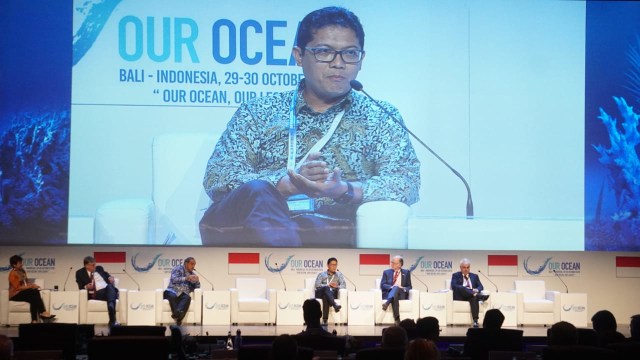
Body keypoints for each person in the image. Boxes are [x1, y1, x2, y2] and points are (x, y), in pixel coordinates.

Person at [199, 6, 420, 248]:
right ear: (298, 55)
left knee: (315, 228)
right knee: (259, 192)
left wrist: (343, 190)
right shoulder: (259, 111)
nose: (338, 63)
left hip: (326, 230)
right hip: (252, 229)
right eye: (324, 52)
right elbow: (218, 176)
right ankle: (288, 262)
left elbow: (405, 182)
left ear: (361, 59)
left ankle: (284, 268)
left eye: (349, 53)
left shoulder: (380, 116)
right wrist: (286, 184)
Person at [7, 255, 55, 323]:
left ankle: (34, 320)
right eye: (20, 263)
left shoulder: (22, 271)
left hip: (22, 292)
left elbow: (26, 283)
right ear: (14, 265)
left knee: (34, 298)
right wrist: (30, 287)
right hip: (15, 295)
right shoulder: (12, 274)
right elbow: (17, 288)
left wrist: (32, 285)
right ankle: (42, 312)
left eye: (21, 262)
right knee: (35, 292)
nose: (22, 264)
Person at [75, 255, 119, 326]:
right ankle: (111, 311)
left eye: (95, 264)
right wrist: (86, 286)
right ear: (87, 266)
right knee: (111, 292)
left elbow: (107, 275)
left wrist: (110, 277)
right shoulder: (80, 273)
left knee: (110, 287)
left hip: (107, 289)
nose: (95, 266)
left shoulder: (99, 269)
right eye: (93, 265)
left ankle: (111, 306)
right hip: (96, 293)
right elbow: (80, 286)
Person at [450, 258, 488, 328]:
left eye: (468, 267)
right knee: (462, 288)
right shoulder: (455, 275)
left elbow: (481, 287)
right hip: (460, 296)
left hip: (471, 296)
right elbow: (454, 286)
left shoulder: (474, 276)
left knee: (474, 297)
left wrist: (475, 290)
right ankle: (478, 296)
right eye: (464, 267)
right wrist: (466, 289)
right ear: (460, 267)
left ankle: (475, 321)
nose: (466, 269)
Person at [164, 257, 200, 326]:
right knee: (173, 296)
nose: (193, 266)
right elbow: (174, 279)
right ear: (186, 263)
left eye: (194, 264)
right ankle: (179, 318)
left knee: (187, 298)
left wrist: (197, 281)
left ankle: (177, 314)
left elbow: (197, 287)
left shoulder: (193, 274)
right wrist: (186, 278)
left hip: (183, 294)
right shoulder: (177, 269)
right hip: (172, 290)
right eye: (192, 264)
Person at [380, 255, 412, 325]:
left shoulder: (406, 273)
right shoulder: (386, 272)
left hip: (401, 294)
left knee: (397, 288)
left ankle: (387, 303)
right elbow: (382, 285)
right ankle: (397, 319)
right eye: (391, 262)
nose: (391, 264)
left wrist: (403, 288)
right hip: (389, 293)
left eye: (393, 262)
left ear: (399, 265)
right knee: (395, 289)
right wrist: (392, 287)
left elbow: (409, 287)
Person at [314, 257, 345, 324]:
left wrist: (337, 286)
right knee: (326, 288)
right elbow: (317, 285)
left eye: (335, 265)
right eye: (332, 265)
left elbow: (344, 286)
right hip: (320, 293)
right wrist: (328, 286)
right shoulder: (322, 274)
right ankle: (334, 305)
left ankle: (325, 320)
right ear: (328, 265)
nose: (334, 267)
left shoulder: (339, 275)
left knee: (326, 296)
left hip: (332, 294)